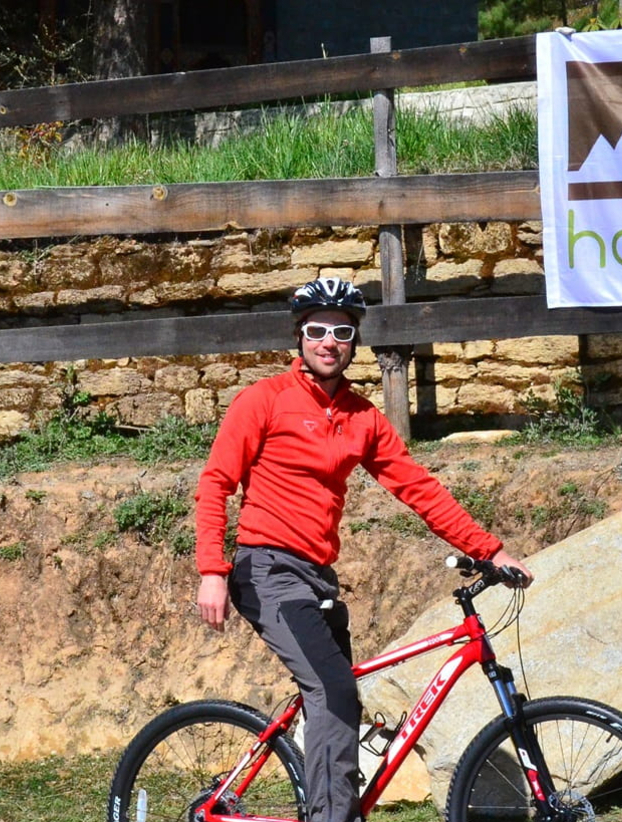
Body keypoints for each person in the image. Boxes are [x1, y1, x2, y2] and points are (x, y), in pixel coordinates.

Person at [193, 277, 532, 822]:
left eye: (342, 331)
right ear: (300, 337)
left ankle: (333, 805)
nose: (329, 341)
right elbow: (216, 484)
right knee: (334, 691)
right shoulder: (264, 400)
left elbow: (418, 488)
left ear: (354, 342)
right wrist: (213, 568)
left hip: (318, 578)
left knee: (337, 699)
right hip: (266, 571)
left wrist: (490, 549)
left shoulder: (363, 417)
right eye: (317, 330)